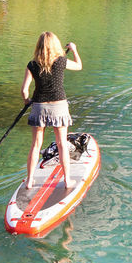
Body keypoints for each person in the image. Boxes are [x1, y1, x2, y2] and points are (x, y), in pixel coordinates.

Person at [21, 31, 82, 189]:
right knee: (61, 144)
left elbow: (24, 90)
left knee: (35, 145)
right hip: (59, 106)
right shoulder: (61, 61)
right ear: (55, 45)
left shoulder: (32, 64)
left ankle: (29, 181)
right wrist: (74, 49)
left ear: (39, 46)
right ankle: (67, 180)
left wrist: (27, 100)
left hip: (39, 107)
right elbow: (79, 66)